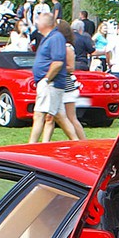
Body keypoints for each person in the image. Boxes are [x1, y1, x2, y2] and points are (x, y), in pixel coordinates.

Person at [28, 13, 77, 143]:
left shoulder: (56, 38)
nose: (36, 24)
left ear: (44, 24)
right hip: (50, 84)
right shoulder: (49, 37)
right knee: (60, 116)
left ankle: (31, 146)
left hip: (51, 84)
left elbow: (58, 62)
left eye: (38, 21)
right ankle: (77, 142)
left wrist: (47, 79)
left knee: (39, 114)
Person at [42, 20, 86, 141]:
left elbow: (71, 68)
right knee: (50, 116)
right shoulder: (56, 45)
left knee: (71, 117)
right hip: (56, 85)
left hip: (67, 87)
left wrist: (56, 67)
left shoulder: (67, 47)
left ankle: (83, 142)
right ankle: (44, 143)